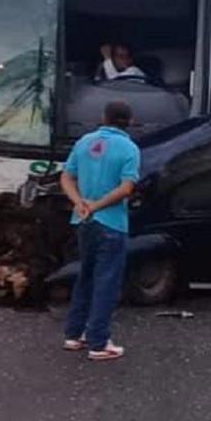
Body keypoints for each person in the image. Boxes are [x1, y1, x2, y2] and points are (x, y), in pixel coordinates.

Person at [60, 100, 141, 361]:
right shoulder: (129, 148)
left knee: (85, 275)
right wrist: (97, 205)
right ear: (129, 121)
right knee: (107, 281)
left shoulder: (84, 142)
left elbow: (66, 176)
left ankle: (74, 334)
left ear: (104, 117)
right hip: (112, 223)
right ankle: (98, 342)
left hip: (83, 221)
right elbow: (126, 188)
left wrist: (80, 203)